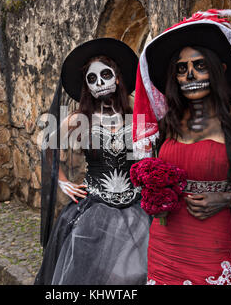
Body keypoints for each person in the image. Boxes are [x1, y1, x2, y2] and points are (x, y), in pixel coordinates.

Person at [133, 10, 231, 285]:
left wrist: (227, 198)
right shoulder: (168, 123)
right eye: (181, 69)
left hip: (214, 239)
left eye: (200, 65)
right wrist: (156, 199)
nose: (190, 75)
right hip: (165, 239)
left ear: (221, 69)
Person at [35, 38, 151, 285]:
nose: (99, 83)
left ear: (118, 78)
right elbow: (47, 146)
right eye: (91, 79)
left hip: (137, 209)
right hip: (94, 210)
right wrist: (62, 181)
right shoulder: (79, 120)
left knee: (135, 273)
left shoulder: (137, 116)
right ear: (86, 86)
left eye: (105, 75)